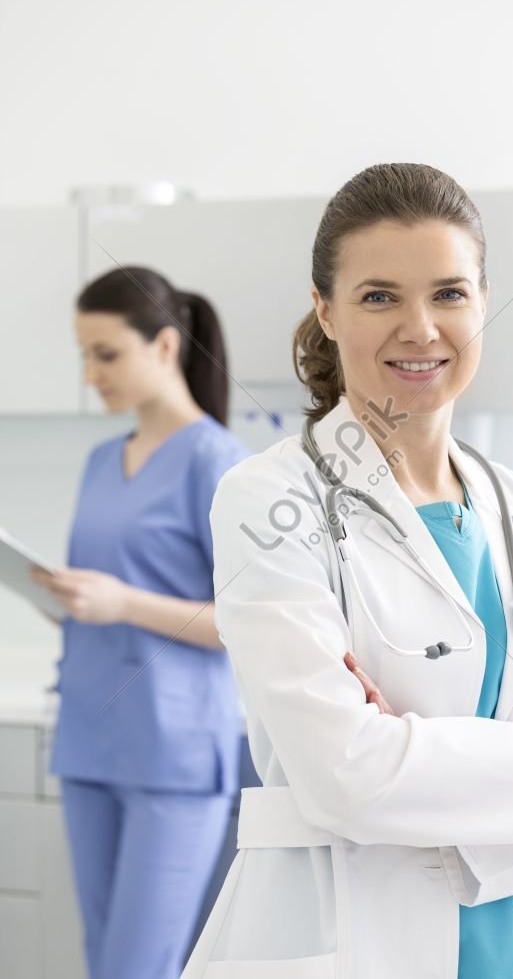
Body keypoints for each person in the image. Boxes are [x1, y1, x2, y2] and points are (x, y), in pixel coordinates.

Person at [181, 164, 513, 979]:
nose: (420, 327)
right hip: (361, 939)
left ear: (482, 305)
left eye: (449, 294)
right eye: (378, 297)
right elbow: (344, 776)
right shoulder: (270, 498)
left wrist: (424, 777)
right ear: (325, 311)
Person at [31, 266, 249, 979]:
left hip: (174, 753)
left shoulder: (219, 464)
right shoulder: (101, 461)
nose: (92, 374)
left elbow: (246, 623)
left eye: (107, 354)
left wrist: (123, 603)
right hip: (90, 738)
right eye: (85, 356)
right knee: (105, 965)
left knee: (138, 969)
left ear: (163, 347)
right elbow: (101, 592)